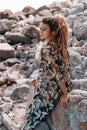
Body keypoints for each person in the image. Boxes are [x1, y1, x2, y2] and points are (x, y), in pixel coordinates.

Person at [23, 14, 73, 130]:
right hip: (60, 84)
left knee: (31, 118)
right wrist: (40, 79)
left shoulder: (46, 49)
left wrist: (65, 94)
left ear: (53, 32)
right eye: (40, 29)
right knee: (33, 86)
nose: (41, 32)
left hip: (52, 90)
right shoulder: (60, 44)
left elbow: (57, 73)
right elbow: (57, 68)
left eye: (44, 29)